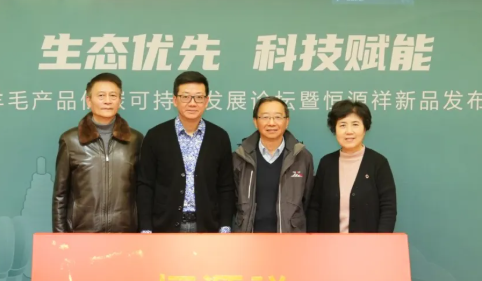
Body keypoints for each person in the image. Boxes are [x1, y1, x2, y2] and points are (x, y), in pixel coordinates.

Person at [137, 71, 235, 233]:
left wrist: (225, 225)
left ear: (206, 101)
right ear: (175, 100)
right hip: (164, 226)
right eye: (185, 97)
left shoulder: (219, 137)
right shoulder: (155, 135)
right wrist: (146, 227)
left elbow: (225, 186)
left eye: (198, 97)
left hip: (207, 227)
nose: (192, 103)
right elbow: (145, 185)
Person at [52, 73, 144, 233]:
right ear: (89, 100)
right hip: (82, 234)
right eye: (101, 95)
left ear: (120, 101)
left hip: (125, 234)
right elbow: (60, 195)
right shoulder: (70, 140)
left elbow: (142, 192)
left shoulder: (135, 139)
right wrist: (60, 238)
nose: (107, 101)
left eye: (113, 95)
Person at [307, 99, 396, 233]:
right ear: (335, 129)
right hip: (329, 242)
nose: (349, 131)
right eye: (342, 125)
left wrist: (380, 241)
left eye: (355, 124)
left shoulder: (378, 163)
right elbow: (315, 207)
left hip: (368, 243)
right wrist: (313, 238)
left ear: (365, 128)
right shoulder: (326, 163)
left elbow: (388, 208)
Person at [232, 96, 314, 233]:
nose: (271, 123)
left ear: (287, 121)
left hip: (290, 237)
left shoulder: (302, 157)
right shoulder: (240, 157)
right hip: (248, 236)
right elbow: (232, 199)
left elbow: (308, 201)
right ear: (255, 121)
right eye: (265, 117)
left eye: (278, 117)